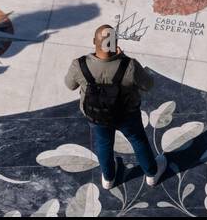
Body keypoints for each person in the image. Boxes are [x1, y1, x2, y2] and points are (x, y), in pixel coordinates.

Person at [64, 25, 166, 190]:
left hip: (95, 116)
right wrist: (123, 57)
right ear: (116, 43)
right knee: (138, 141)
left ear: (94, 42)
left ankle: (109, 178)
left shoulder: (79, 65)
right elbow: (148, 84)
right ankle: (152, 174)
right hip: (127, 115)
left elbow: (70, 85)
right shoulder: (129, 66)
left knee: (103, 143)